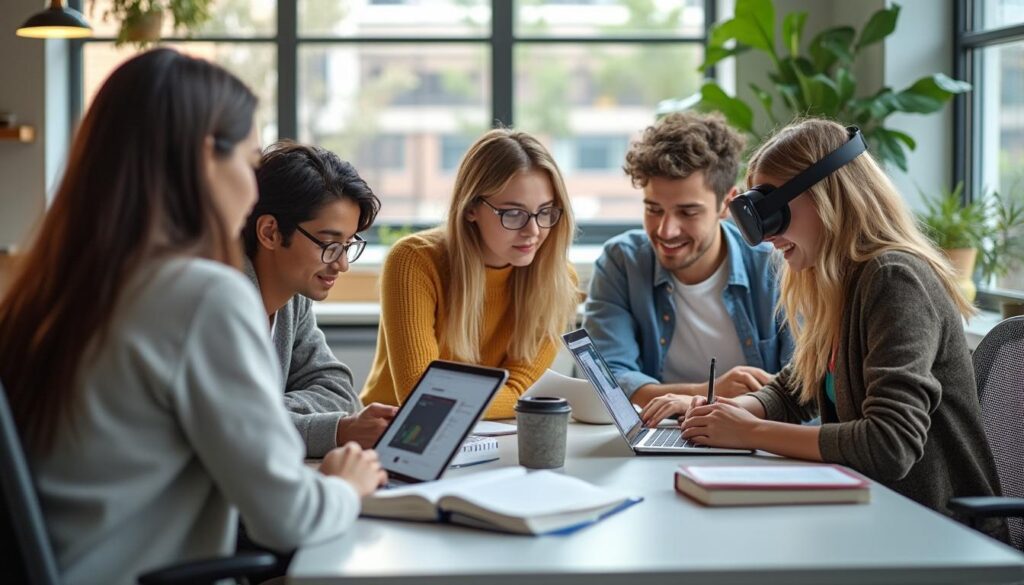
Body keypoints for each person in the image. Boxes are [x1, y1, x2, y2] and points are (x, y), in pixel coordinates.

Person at [0, 48, 386, 584]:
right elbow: (289, 518)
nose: (253, 189)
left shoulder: (60, 284)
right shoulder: (201, 296)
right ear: (207, 157)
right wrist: (349, 484)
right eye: (249, 164)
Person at [676, 118, 1008, 541]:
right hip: (879, 515)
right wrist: (736, 411)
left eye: (773, 211)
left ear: (827, 196)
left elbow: (890, 445)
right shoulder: (842, 281)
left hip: (939, 534)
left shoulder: (894, 278)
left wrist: (749, 432)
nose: (766, 236)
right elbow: (797, 387)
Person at [581, 112, 794, 421]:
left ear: (727, 203)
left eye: (688, 212)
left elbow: (809, 390)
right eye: (654, 209)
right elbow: (607, 377)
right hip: (658, 436)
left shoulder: (775, 266)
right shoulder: (621, 263)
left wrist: (699, 402)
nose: (666, 231)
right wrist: (704, 394)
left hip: (757, 442)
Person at [361, 129, 578, 419]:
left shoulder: (557, 279)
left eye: (545, 212)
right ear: (471, 208)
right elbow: (420, 394)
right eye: (513, 213)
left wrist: (471, 401)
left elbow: (522, 391)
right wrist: (506, 400)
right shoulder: (414, 261)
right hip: (399, 434)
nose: (534, 231)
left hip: (497, 437)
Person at [242, 141, 397, 457]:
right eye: (328, 244)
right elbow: (229, 430)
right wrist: (336, 430)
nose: (342, 264)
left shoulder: (293, 298)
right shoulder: (215, 302)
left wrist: (264, 409)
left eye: (348, 245)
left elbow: (338, 390)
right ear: (270, 232)